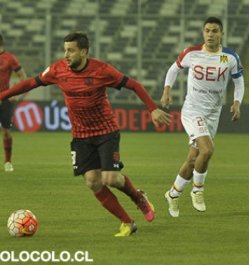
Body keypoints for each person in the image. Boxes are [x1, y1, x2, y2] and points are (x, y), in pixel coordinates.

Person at [0, 32, 172, 237]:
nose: (66, 55)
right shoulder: (58, 70)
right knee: (92, 181)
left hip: (106, 131)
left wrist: (152, 108)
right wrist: (2, 95)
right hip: (81, 135)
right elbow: (30, 83)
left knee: (110, 178)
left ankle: (139, 198)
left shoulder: (102, 70)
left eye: (71, 50)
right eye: (65, 50)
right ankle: (127, 222)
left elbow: (133, 85)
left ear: (84, 51)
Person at [160, 17, 244, 217]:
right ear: (202, 33)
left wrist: (237, 102)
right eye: (207, 30)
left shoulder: (230, 57)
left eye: (215, 31)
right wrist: (167, 90)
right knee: (207, 150)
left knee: (193, 159)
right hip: (192, 110)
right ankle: (197, 190)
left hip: (213, 113)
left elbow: (239, 82)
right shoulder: (192, 53)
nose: (210, 34)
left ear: (221, 34)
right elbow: (173, 69)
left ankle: (173, 193)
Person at [0, 34, 27, 172]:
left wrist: (16, 94)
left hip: (4, 98)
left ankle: (8, 161)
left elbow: (23, 77)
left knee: (6, 130)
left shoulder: (10, 58)